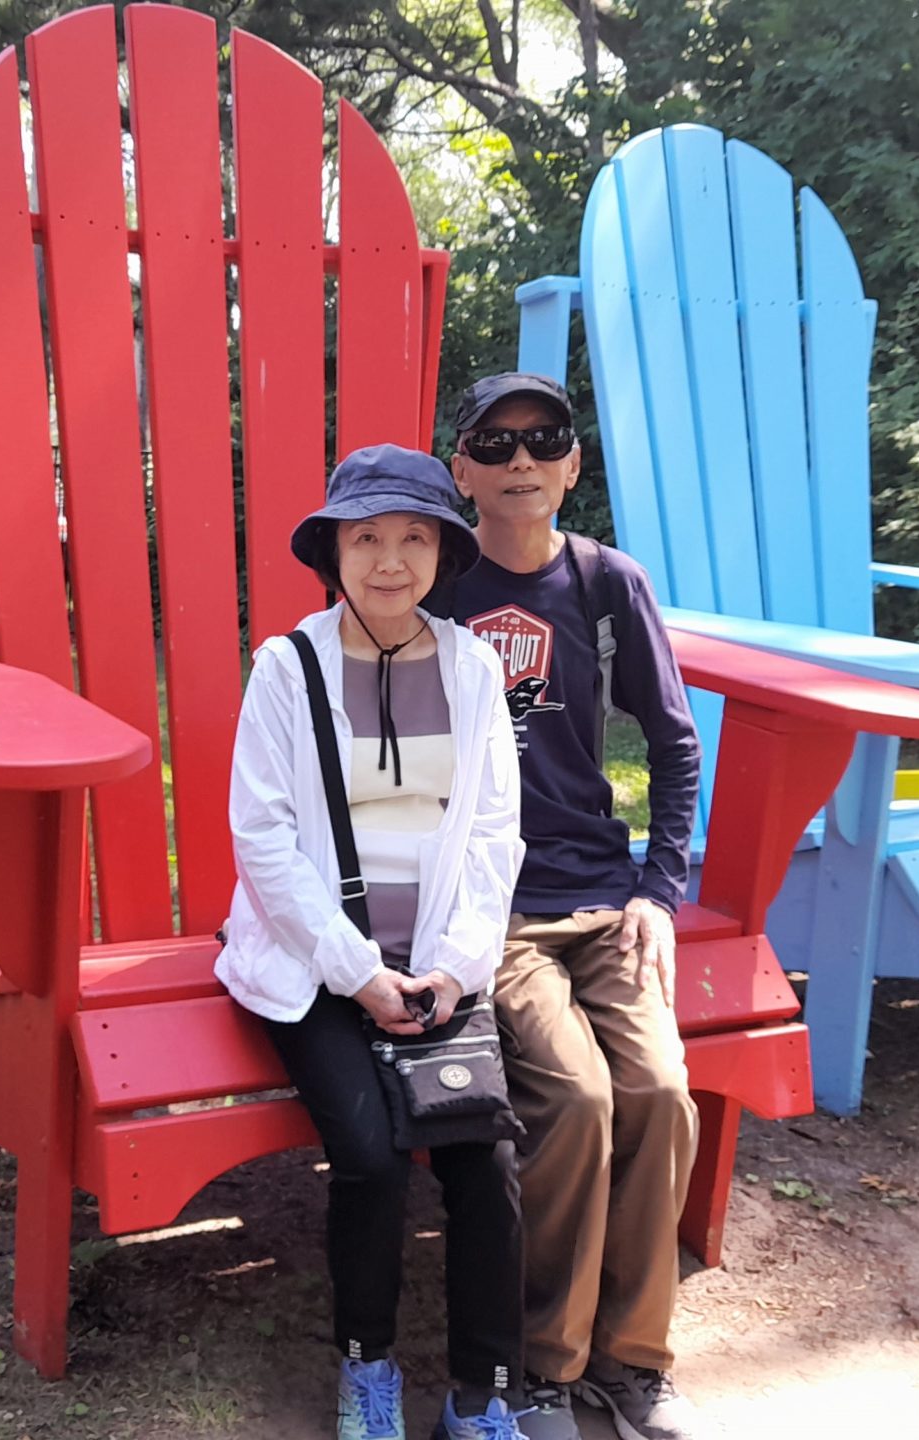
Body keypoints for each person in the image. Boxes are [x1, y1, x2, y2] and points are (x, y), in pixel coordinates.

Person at [218, 444, 531, 1440]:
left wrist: (458, 964)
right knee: (369, 1155)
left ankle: (482, 1395)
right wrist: (358, 974)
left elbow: (493, 831)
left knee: (484, 1159)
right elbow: (261, 836)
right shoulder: (288, 667)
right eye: (366, 539)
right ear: (334, 552)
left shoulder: (474, 666)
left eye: (412, 537)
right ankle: (368, 1367)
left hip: (437, 964)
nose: (389, 561)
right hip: (312, 967)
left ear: (441, 549)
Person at [440, 374, 714, 1440]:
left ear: (571, 464)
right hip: (491, 915)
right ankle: (543, 1367)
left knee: (658, 1092)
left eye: (541, 440)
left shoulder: (606, 585)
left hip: (604, 898)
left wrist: (661, 890)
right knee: (579, 1101)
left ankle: (633, 1362)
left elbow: (676, 743)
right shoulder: (436, 586)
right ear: (461, 470)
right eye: (493, 444)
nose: (518, 461)